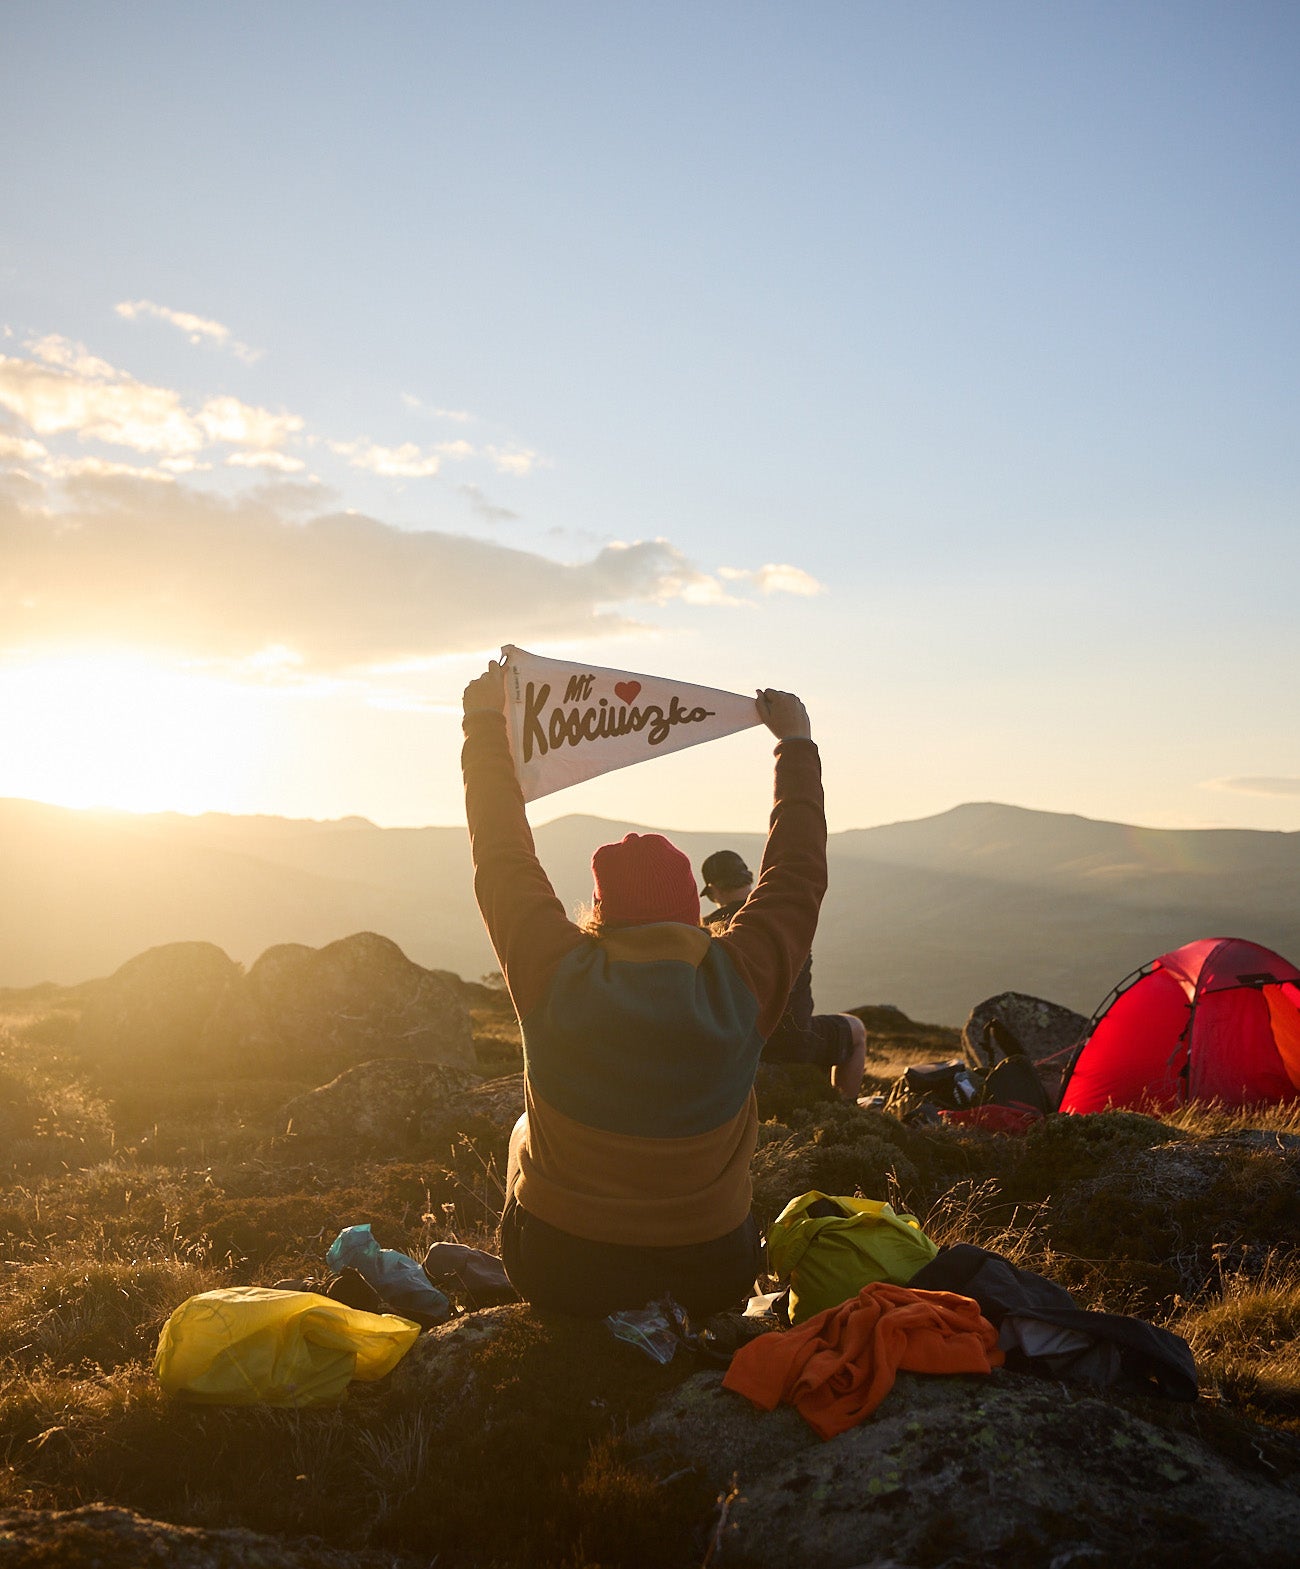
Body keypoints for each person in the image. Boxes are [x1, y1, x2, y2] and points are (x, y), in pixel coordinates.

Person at [461, 659, 828, 1317]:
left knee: (523, 1130)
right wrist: (794, 743)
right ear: (694, 911)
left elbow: (500, 852)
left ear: (599, 914)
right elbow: (797, 870)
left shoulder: (554, 972)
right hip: (710, 1272)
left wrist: (485, 723)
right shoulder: (739, 978)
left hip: (559, 1267)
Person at [699, 849, 867, 1101]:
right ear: (749, 879)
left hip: (740, 1042)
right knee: (856, 1031)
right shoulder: (781, 915)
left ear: (713, 891)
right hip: (794, 1039)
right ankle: (844, 1107)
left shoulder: (707, 932)